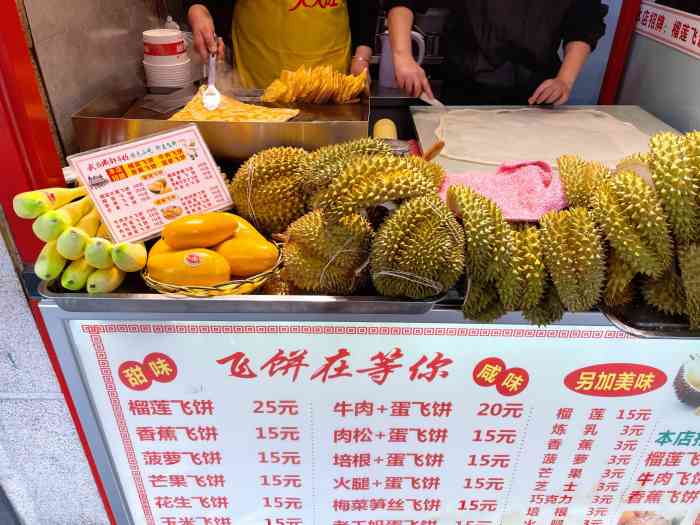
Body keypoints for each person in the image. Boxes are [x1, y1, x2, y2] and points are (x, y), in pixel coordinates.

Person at [385, 0, 607, 105]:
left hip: (537, 94)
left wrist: (564, 80)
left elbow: (584, 23)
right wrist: (403, 56)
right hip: (466, 87)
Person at [185, 1, 377, 89]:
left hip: (330, 87)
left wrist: (362, 55)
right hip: (258, 89)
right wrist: (198, 9)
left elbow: (365, 6)